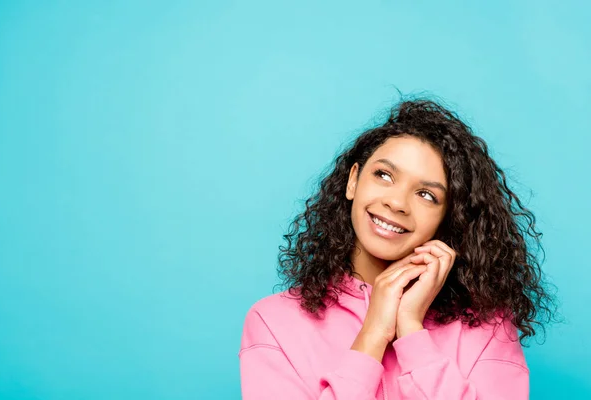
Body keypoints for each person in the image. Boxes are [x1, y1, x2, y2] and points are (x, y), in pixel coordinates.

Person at [238, 98, 557, 399]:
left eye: (427, 195)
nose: (397, 202)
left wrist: (411, 331)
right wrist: (373, 333)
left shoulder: (490, 327)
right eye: (384, 175)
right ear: (353, 181)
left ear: (448, 218)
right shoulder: (274, 321)